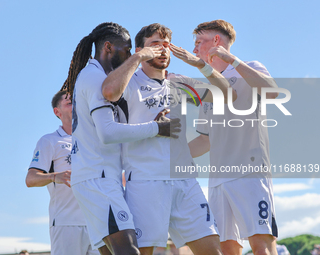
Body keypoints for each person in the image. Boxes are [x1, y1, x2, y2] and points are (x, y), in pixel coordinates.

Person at [102, 23, 235, 255]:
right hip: (146, 182)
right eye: (155, 44)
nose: (162, 50)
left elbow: (227, 94)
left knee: (213, 250)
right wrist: (137, 59)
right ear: (140, 49)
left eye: (166, 45)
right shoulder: (129, 82)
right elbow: (109, 91)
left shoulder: (180, 82)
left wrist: (199, 64)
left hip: (185, 182)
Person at [61, 22, 180, 255]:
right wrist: (157, 128)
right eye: (126, 50)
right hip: (98, 178)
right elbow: (108, 133)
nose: (129, 56)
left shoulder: (93, 75)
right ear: (108, 47)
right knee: (129, 251)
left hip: (96, 177)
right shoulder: (94, 78)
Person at [176, 20, 278, 255]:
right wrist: (170, 155)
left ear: (216, 42)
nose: (194, 50)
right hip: (218, 180)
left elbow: (272, 92)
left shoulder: (249, 67)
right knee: (226, 247)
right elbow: (205, 141)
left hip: (250, 174)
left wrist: (233, 60)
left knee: (261, 245)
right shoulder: (210, 89)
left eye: (199, 43)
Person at [26, 90, 99, 255]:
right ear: (57, 112)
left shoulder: (95, 139)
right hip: (66, 223)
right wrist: (54, 176)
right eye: (69, 102)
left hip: (97, 223)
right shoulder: (49, 141)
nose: (75, 104)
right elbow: (30, 179)